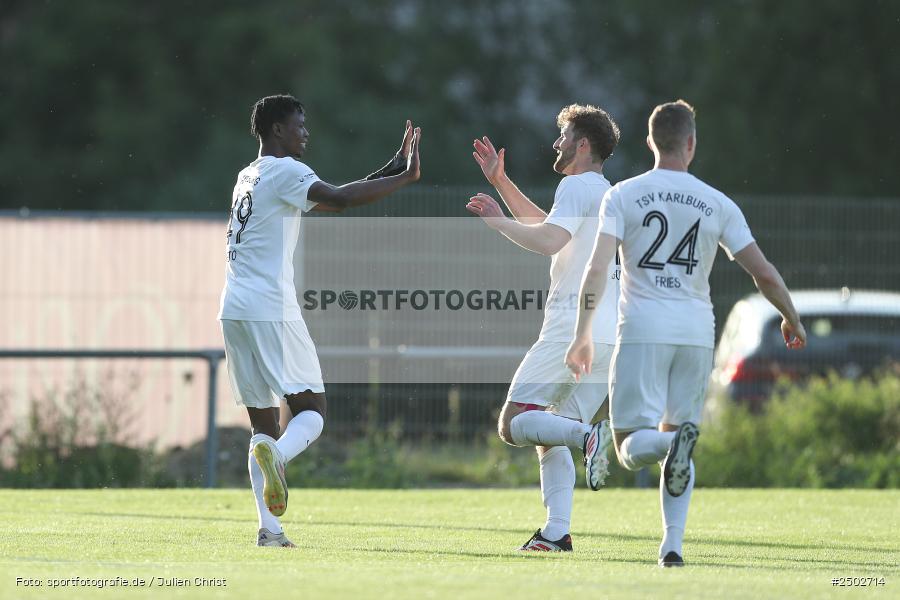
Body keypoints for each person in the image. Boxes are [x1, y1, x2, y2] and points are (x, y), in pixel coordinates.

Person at [565, 100, 806, 566]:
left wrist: (582, 333)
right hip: (697, 333)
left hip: (642, 330)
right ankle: (672, 546)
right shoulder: (718, 202)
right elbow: (766, 276)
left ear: (651, 141)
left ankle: (671, 453)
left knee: (631, 447)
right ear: (691, 143)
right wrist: (791, 317)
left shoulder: (624, 195)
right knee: (677, 439)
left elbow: (597, 269)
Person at [218, 94, 421, 547]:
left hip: (233, 307)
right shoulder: (287, 171)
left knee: (261, 426)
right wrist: (404, 178)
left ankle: (270, 530)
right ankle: (279, 457)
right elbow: (340, 201)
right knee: (311, 412)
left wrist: (388, 168)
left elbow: (334, 195)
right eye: (299, 125)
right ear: (276, 130)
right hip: (271, 306)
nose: (305, 133)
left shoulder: (248, 174)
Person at [466, 104, 620, 552]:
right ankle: (556, 533)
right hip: (606, 334)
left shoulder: (575, 184)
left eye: (564, 136)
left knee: (514, 423)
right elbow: (551, 226)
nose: (557, 143)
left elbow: (549, 240)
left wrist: (496, 220)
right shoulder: (604, 191)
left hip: (569, 330)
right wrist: (501, 181)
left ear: (583, 145)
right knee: (547, 430)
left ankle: (588, 437)